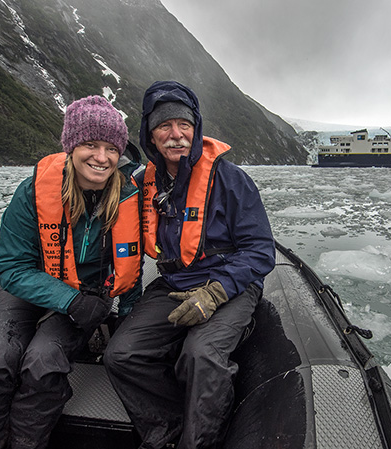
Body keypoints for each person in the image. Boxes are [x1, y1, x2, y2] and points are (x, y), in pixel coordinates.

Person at [0, 95, 143, 449]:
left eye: (110, 148)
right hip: (30, 289)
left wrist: (128, 321)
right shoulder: (33, 191)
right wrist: (67, 300)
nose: (101, 158)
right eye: (91, 144)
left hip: (86, 293)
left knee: (43, 362)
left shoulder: (127, 199)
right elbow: (11, 266)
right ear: (71, 146)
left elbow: (131, 267)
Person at [103, 80, 276, 449]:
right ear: (150, 134)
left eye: (184, 125)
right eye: (164, 126)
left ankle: (200, 441)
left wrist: (215, 294)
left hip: (228, 284)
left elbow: (260, 250)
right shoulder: (141, 183)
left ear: (196, 129)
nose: (176, 135)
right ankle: (168, 429)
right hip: (174, 282)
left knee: (201, 354)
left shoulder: (231, 180)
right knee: (121, 355)